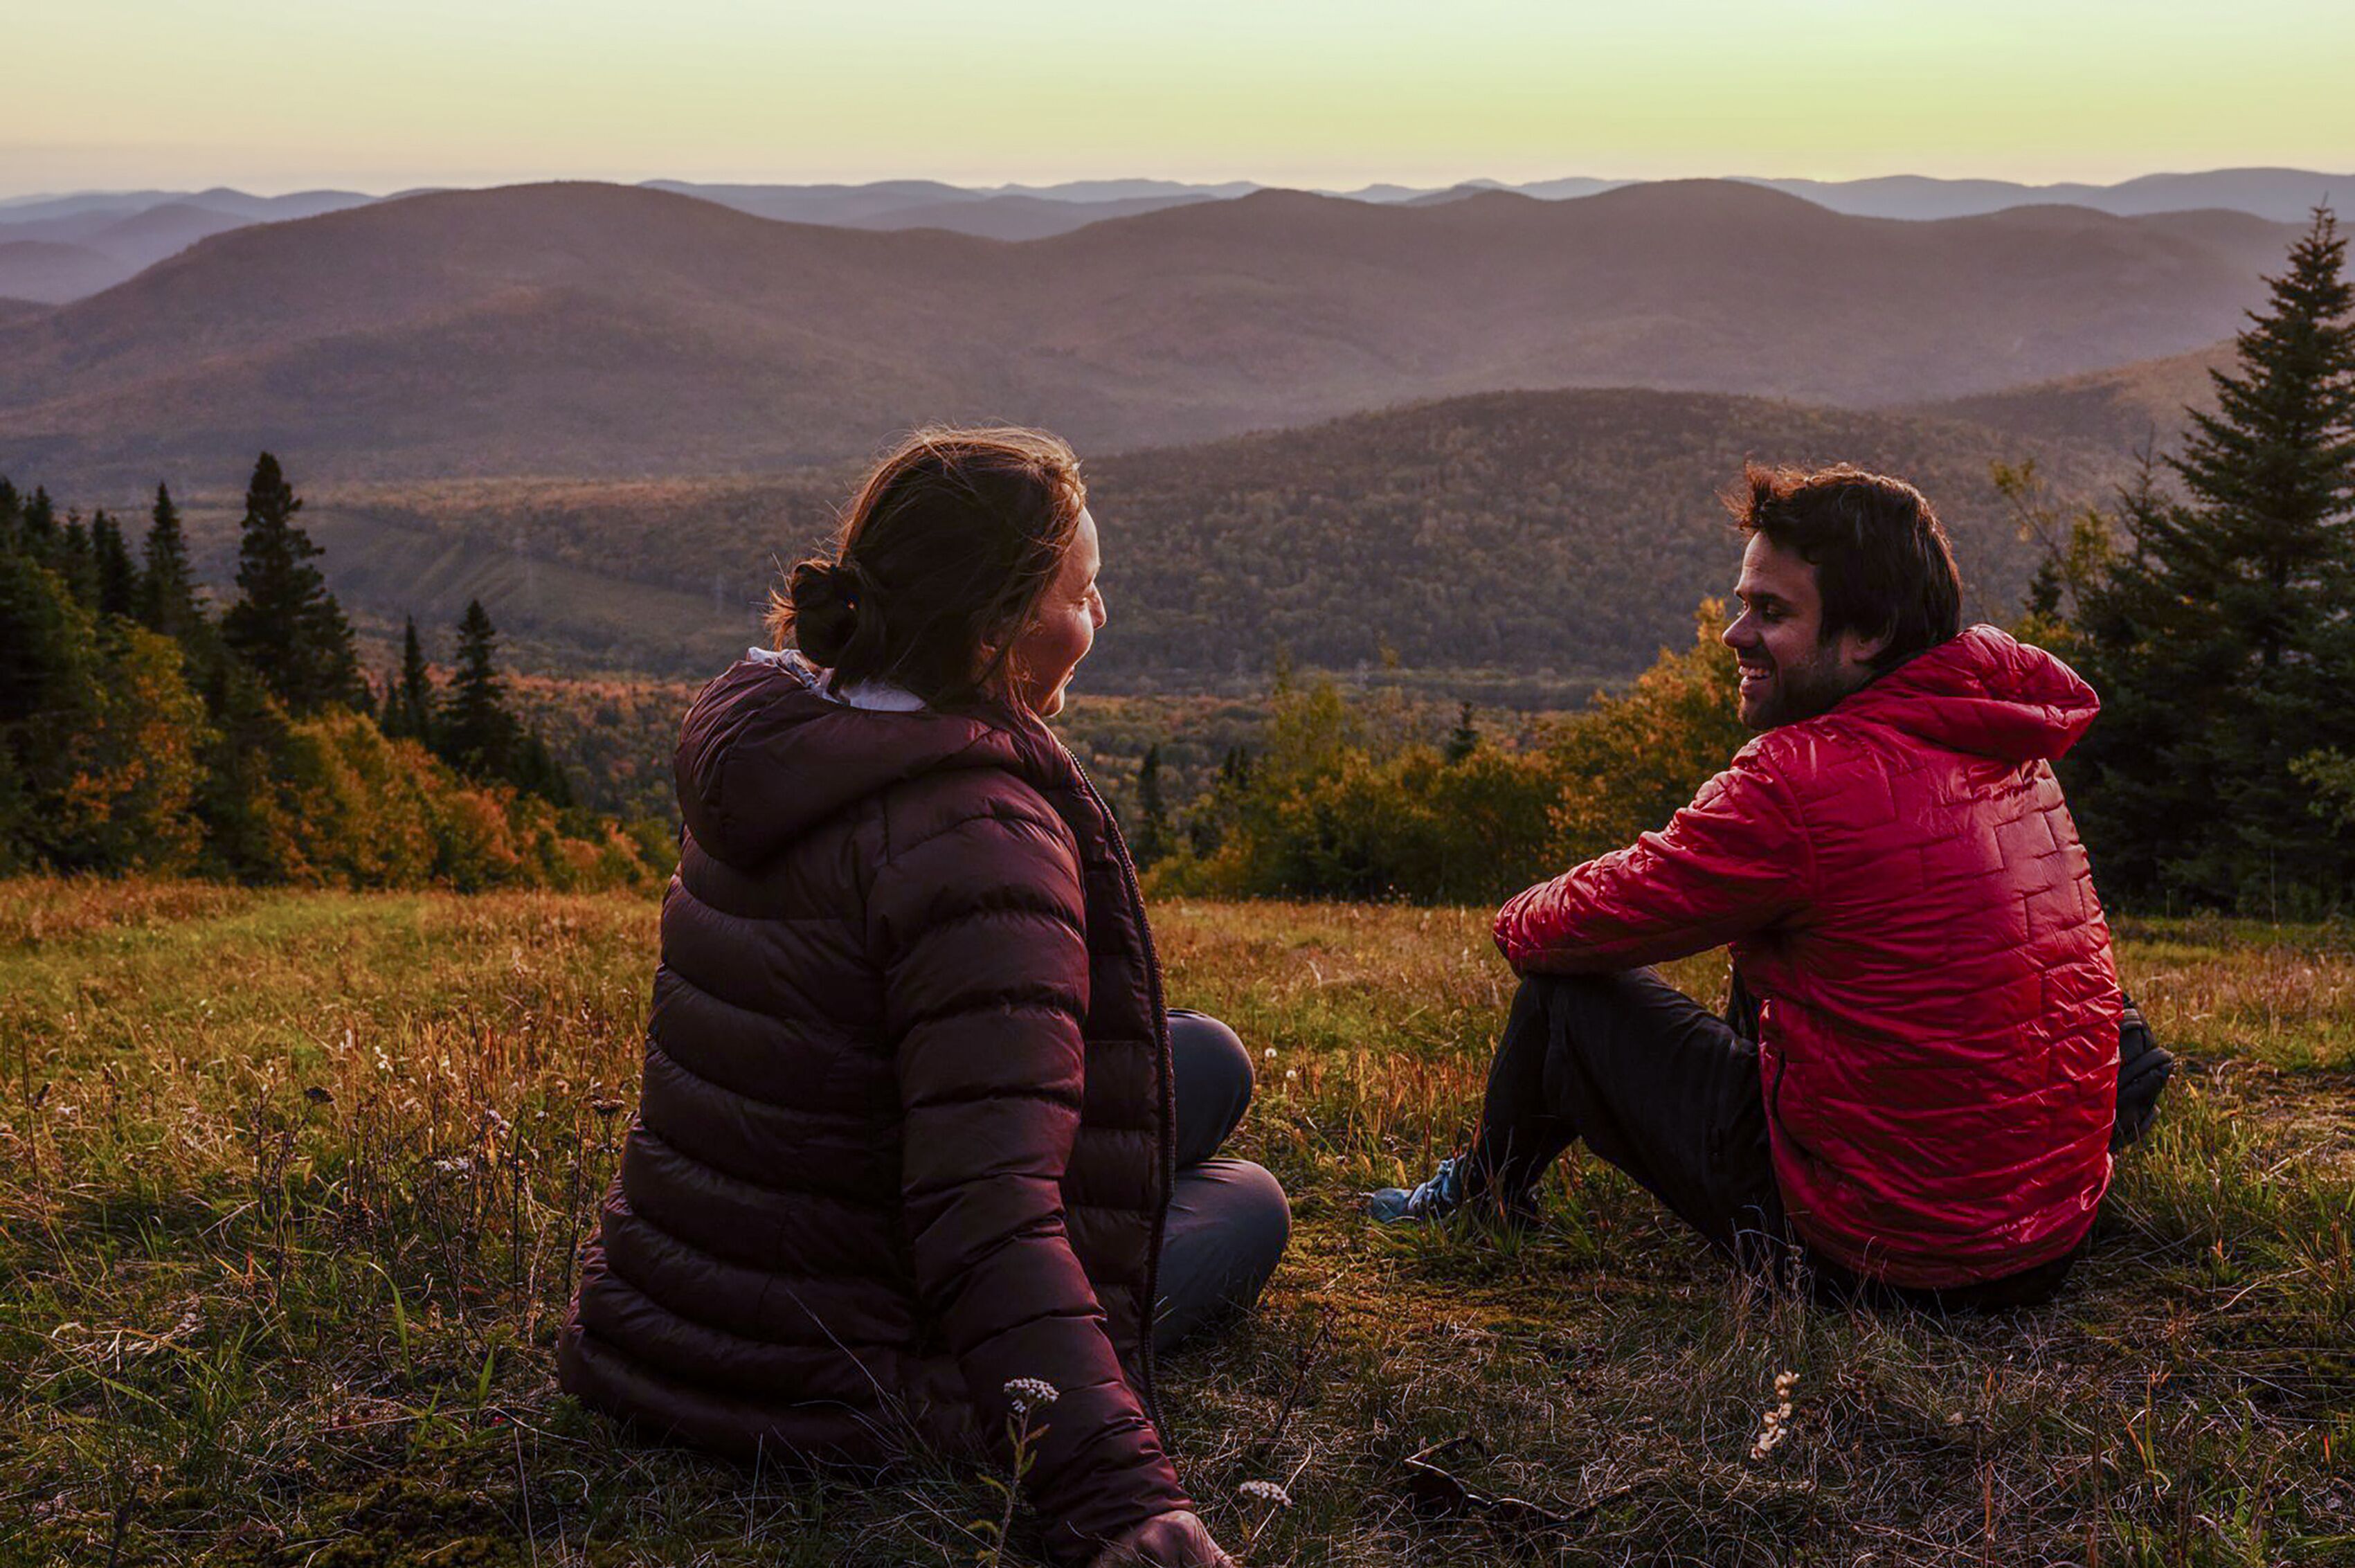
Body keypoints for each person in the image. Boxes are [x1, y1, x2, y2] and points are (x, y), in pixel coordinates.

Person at [559, 426, 1288, 1568]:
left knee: (1208, 1061)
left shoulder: (792, 739)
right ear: (994, 629)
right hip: (834, 1372)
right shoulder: (979, 838)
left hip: (673, 1306)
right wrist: (1120, 1500)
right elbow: (983, 1217)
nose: (1101, 622)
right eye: (1084, 594)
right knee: (1246, 1205)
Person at [1371, 462, 2169, 1308]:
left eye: (1773, 612)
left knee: (1564, 1000)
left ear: (1868, 634)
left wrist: (1518, 909)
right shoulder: (2010, 748)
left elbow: (1567, 931)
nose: (1734, 635)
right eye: (1743, 603)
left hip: (1875, 1260)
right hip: (2046, 1239)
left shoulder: (1800, 780)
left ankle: (1482, 1198)